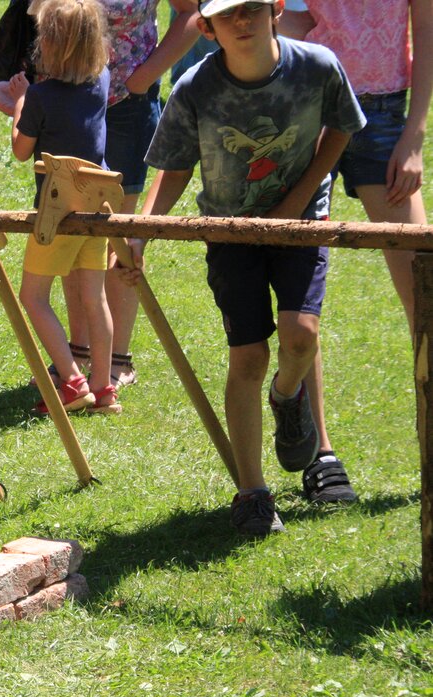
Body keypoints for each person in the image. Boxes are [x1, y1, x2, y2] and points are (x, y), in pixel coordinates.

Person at [126, 0, 365, 535]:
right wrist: (140, 231)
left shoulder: (317, 66)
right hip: (229, 231)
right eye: (227, 14)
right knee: (249, 355)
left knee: (300, 335)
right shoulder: (195, 87)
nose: (242, 20)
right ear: (206, 26)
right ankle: (253, 492)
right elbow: (174, 167)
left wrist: (296, 202)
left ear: (277, 8)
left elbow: (343, 128)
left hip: (303, 221)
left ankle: (288, 396)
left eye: (252, 7)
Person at [279, 0, 431, 503]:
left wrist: (414, 136)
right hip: (310, 114)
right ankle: (321, 452)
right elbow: (290, 25)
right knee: (301, 296)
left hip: (386, 116)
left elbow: (425, 33)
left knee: (423, 289)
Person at [61, 0, 201, 391]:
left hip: (127, 104)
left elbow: (191, 13)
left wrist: (142, 78)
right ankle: (79, 353)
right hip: (70, 99)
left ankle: (117, 356)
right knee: (72, 231)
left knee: (118, 237)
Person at [8, 0, 120, 415]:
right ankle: (104, 387)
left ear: (49, 45)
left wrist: (21, 100)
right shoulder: (104, 79)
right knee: (96, 298)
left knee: (33, 296)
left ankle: (72, 381)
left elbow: (21, 151)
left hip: (58, 212)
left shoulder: (38, 96)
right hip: (97, 205)